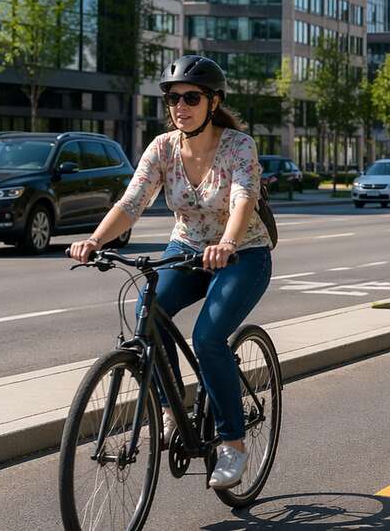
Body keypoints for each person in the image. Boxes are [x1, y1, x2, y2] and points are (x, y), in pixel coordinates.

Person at [68, 55, 274, 491]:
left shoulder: (238, 145)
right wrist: (95, 240)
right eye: (173, 98)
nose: (180, 106)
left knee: (207, 338)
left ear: (213, 101)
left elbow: (243, 200)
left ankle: (233, 444)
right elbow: (132, 202)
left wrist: (228, 243)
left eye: (191, 97)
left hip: (242, 253)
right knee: (149, 311)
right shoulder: (162, 148)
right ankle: (169, 409)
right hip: (186, 249)